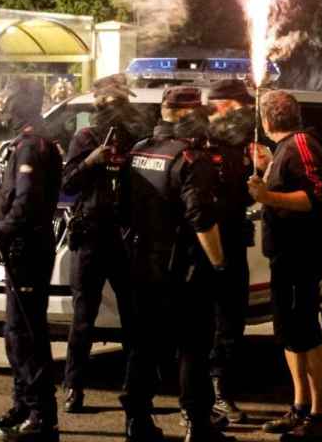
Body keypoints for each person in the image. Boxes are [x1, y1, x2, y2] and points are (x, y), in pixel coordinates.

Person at [123, 86, 231, 442]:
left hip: (141, 260)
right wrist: (219, 264)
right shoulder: (190, 158)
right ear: (186, 114)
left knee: (144, 343)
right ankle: (198, 424)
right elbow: (200, 217)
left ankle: (137, 421)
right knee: (193, 345)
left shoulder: (139, 151)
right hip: (182, 266)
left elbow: (124, 207)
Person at [247, 90, 322, 441]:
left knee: (307, 332)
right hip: (284, 255)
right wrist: (268, 164)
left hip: (302, 254)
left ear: (267, 120)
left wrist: (266, 196)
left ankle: (320, 416)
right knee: (289, 333)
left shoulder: (303, 146)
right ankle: (299, 407)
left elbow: (314, 196)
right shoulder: (287, 148)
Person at [60, 74, 149, 415]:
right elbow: (68, 183)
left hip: (125, 237)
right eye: (106, 102)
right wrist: (91, 161)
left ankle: (135, 391)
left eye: (117, 102)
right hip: (92, 236)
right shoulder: (85, 137)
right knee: (83, 318)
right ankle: (74, 388)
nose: (111, 109)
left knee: (134, 319)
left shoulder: (135, 139)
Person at [0, 79, 63, 441]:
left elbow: (27, 202)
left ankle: (41, 415)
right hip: (23, 247)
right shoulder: (28, 142)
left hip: (26, 247)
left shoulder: (33, 146)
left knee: (27, 334)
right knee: (16, 332)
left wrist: (2, 230)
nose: (2, 105)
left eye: (7, 99)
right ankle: (23, 404)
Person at [205, 80, 258, 424]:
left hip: (231, 240)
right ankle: (214, 395)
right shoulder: (203, 141)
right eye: (238, 107)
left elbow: (244, 195)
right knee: (217, 321)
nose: (245, 114)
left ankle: (216, 391)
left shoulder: (240, 144)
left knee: (230, 321)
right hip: (209, 243)